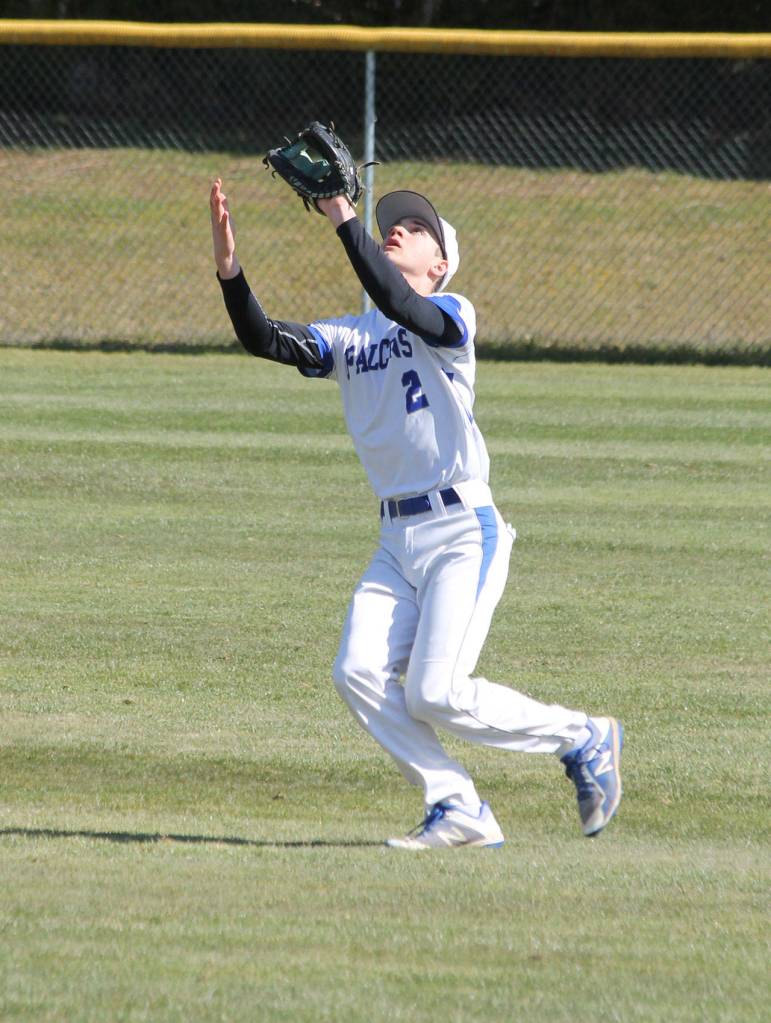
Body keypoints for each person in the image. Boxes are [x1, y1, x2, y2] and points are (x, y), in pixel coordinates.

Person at [209, 177, 623, 849]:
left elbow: (400, 302)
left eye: (416, 228)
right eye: (390, 223)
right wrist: (229, 267)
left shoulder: (451, 315)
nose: (396, 228)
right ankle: (457, 804)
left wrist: (343, 214)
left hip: (463, 529)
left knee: (435, 691)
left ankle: (582, 735)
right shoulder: (348, 336)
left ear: (440, 263)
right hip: (395, 541)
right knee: (357, 672)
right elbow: (265, 338)